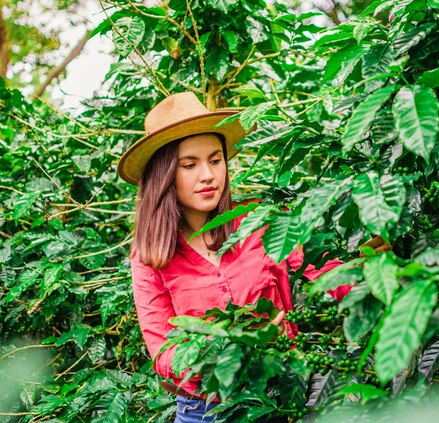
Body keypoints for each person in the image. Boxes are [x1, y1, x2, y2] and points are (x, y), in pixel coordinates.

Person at [117, 92, 352, 422]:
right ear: (164, 174)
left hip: (280, 399)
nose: (208, 175)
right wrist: (226, 348)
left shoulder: (260, 222)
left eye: (215, 160)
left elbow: (329, 273)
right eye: (189, 165)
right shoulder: (150, 257)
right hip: (204, 411)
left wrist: (375, 270)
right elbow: (163, 353)